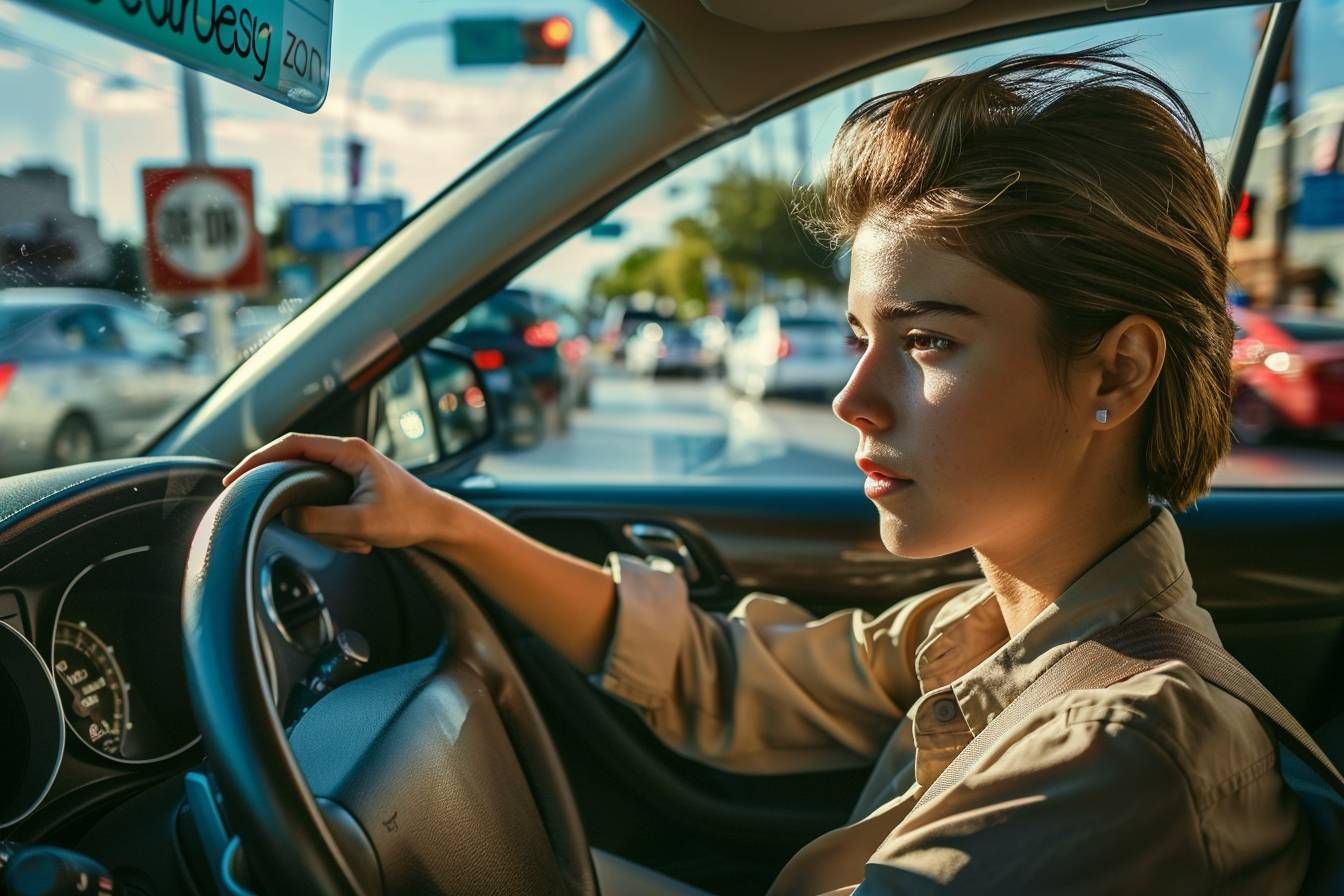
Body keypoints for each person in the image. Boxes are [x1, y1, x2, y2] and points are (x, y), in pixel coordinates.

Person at [224, 43, 1308, 894]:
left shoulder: (1121, 750)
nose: (854, 397)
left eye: (927, 341)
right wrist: (441, 522)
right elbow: (719, 674)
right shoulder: (989, 626)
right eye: (859, 335)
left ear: (1114, 372)